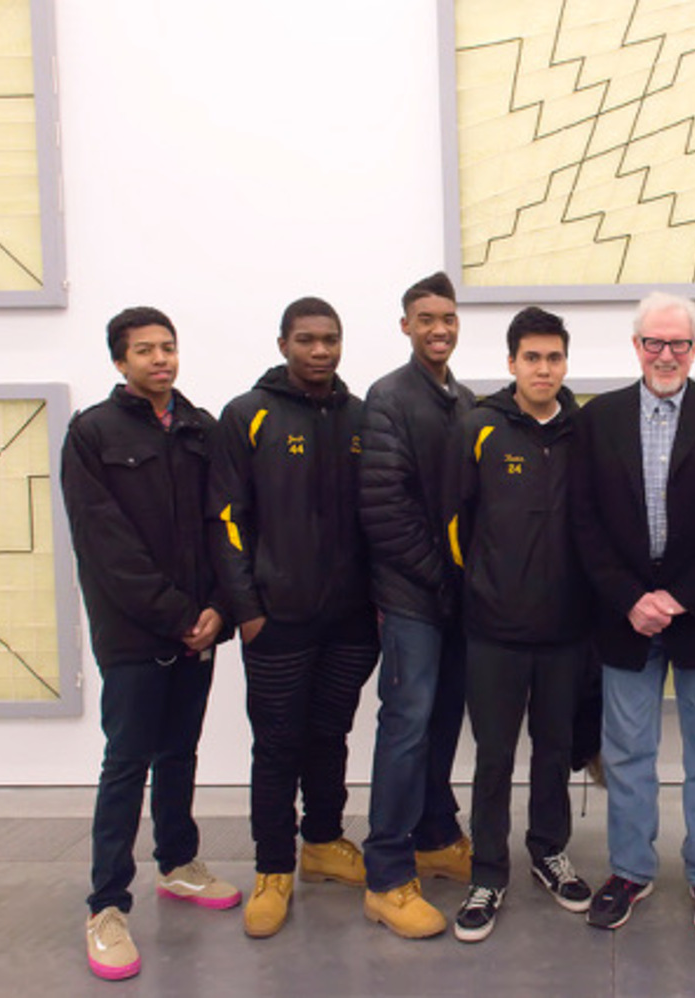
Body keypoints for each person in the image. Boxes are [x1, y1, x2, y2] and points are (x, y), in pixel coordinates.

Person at [571, 291, 695, 936]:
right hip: (625, 617)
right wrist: (632, 598)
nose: (666, 354)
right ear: (636, 346)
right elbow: (584, 522)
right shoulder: (599, 419)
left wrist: (679, 596)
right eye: (654, 342)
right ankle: (630, 871)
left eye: (679, 343)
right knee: (626, 753)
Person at [62, 306, 238, 981]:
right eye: (144, 350)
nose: (160, 359)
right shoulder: (93, 434)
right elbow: (106, 542)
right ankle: (106, 905)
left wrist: (219, 607)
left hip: (201, 625)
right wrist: (173, 613)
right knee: (126, 761)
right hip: (136, 631)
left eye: (167, 347)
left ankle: (178, 862)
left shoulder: (200, 428)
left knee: (180, 750)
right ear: (119, 361)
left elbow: (225, 521)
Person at [209, 296, 380, 939]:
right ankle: (273, 868)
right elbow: (225, 518)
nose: (320, 351)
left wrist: (376, 603)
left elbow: (380, 518)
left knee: (330, 734)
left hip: (351, 622)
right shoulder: (248, 415)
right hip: (276, 620)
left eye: (330, 339)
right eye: (306, 339)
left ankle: (324, 841)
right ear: (283, 343)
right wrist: (247, 610)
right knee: (277, 745)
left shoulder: (363, 417)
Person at [444, 306, 595, 942]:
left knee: (556, 752)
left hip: (566, 631)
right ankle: (488, 872)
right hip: (494, 631)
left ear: (565, 363)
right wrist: (479, 594)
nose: (543, 368)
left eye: (553, 358)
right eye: (531, 358)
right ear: (511, 364)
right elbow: (453, 526)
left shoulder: (583, 431)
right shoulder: (478, 428)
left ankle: (548, 853)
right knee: (495, 758)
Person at [358, 271, 476, 939]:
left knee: (440, 724)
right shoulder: (390, 398)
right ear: (406, 325)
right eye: (426, 318)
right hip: (411, 598)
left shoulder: (458, 398)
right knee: (405, 728)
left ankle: (435, 835)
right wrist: (440, 579)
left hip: (453, 598)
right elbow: (385, 511)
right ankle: (387, 875)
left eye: (449, 318)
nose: (439, 328)